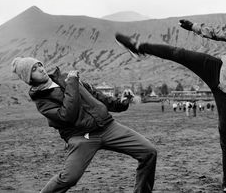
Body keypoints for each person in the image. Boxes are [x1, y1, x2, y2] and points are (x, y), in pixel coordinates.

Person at [115, 0, 226, 193]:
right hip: (218, 69)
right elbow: (217, 32)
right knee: (180, 53)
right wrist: (193, 27)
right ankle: (138, 47)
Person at [11, 57, 157, 193]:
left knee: (149, 152)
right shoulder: (43, 101)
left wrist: (122, 102)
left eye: (39, 65)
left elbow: (96, 95)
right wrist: (72, 83)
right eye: (34, 69)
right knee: (69, 178)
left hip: (107, 126)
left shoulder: (65, 77)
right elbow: (68, 115)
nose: (41, 69)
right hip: (81, 137)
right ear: (29, 78)